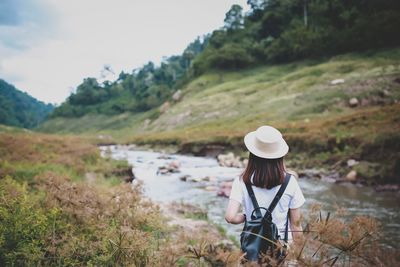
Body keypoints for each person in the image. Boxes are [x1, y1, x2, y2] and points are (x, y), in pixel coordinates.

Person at [225, 125, 305, 244]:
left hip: (252, 247)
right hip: (282, 247)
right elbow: (296, 226)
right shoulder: (290, 181)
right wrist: (300, 256)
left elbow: (230, 217)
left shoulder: (241, 180)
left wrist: (246, 217)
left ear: (252, 154)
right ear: (279, 156)